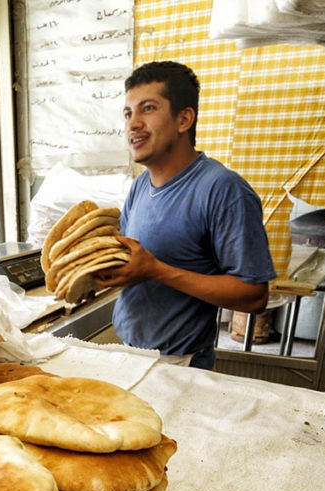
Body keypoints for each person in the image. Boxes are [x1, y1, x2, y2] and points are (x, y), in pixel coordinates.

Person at [96, 61, 277, 370]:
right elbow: (132, 264)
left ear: (184, 119)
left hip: (182, 363)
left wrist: (157, 271)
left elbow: (254, 296)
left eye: (147, 109)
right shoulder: (140, 186)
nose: (133, 124)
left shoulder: (223, 189)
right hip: (128, 352)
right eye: (128, 113)